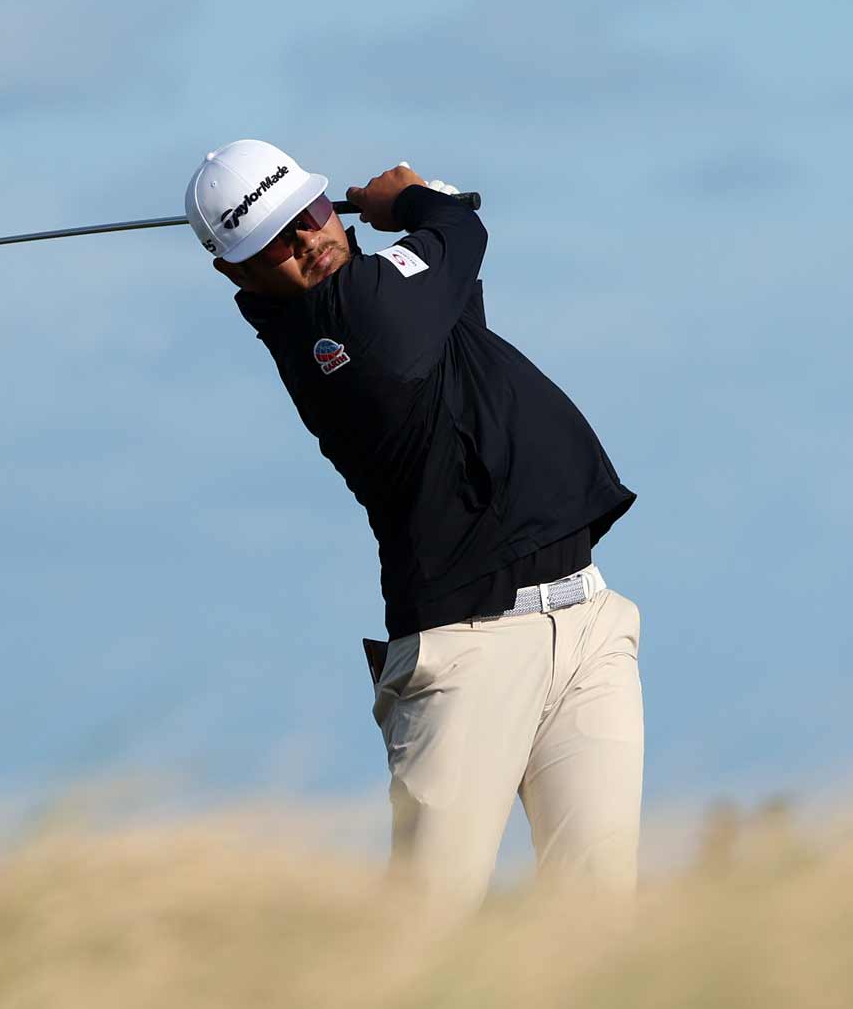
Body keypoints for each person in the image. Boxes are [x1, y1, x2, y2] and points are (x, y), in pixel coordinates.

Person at [187, 139, 643, 914]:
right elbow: (461, 237)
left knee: (597, 914)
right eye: (275, 240)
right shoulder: (338, 327)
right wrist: (412, 202)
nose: (307, 240)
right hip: (466, 648)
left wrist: (422, 210)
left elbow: (452, 278)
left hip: (586, 620)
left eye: (311, 213)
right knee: (428, 925)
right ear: (236, 270)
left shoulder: (392, 292)